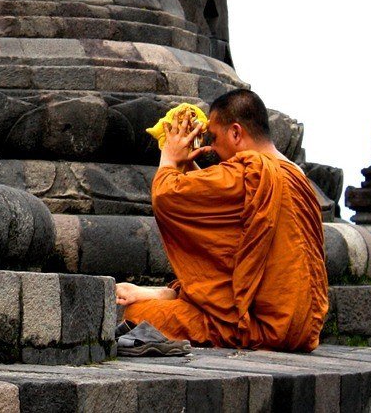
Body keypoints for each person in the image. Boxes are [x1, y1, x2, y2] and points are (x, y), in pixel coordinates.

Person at [115, 88, 329, 352]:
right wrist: (189, 167)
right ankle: (167, 293)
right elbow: (236, 244)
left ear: (236, 133)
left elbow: (168, 196)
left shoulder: (254, 170)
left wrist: (169, 157)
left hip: (263, 328)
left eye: (214, 138)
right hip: (305, 330)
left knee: (138, 313)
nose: (211, 148)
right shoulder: (296, 177)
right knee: (159, 303)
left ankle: (161, 299)